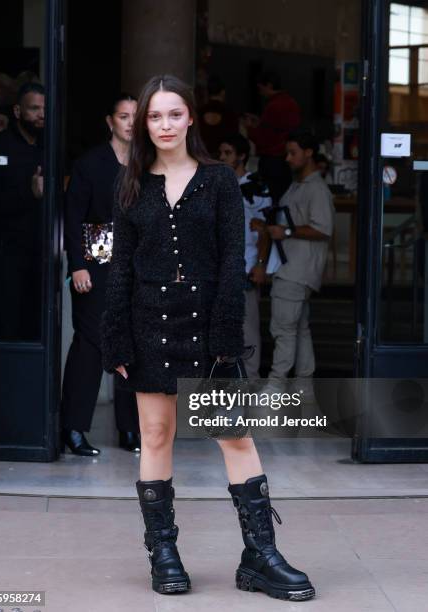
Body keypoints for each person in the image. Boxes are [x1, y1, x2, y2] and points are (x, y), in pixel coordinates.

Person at [101, 74, 315, 602]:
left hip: (206, 327)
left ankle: (261, 556)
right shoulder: (130, 184)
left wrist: (225, 337)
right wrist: (116, 338)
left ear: (191, 118)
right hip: (149, 323)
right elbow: (121, 269)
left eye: (175, 114)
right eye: (155, 116)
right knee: (155, 437)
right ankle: (164, 555)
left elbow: (230, 263)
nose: (165, 124)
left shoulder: (219, 180)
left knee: (235, 437)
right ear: (144, 124)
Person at [61, 93, 141, 456]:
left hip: (137, 268)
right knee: (91, 345)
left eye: (135, 117)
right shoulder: (90, 163)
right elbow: (73, 216)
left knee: (132, 347)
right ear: (110, 121)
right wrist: (76, 264)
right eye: (123, 116)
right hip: (94, 265)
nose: (129, 122)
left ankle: (130, 430)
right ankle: (73, 428)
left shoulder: (148, 163)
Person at [266, 130, 334, 395]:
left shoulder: (316, 189)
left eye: (293, 152)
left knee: (283, 328)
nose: (288, 158)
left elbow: (324, 228)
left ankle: (276, 384)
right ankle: (304, 385)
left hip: (297, 269)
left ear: (308, 153)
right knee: (299, 328)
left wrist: (287, 232)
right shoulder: (299, 185)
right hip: (294, 268)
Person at [0, 81, 45, 341]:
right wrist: (28, 194)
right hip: (6, 253)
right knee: (8, 323)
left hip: (42, 252)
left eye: (44, 108)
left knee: (37, 324)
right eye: (34, 108)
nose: (41, 114)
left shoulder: (49, 147)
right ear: (18, 112)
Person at [219, 132, 280, 378]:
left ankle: (251, 380)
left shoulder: (257, 186)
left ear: (241, 156)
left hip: (247, 264)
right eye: (220, 153)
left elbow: (265, 229)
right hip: (222, 266)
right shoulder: (218, 183)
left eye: (228, 153)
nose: (222, 157)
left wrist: (261, 265)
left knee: (248, 328)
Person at [244, 71, 301, 204]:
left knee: (269, 201)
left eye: (261, 88)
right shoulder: (291, 102)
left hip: (272, 160)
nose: (260, 92)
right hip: (285, 159)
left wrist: (249, 128)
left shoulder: (273, 106)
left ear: (269, 86)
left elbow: (264, 138)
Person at [198, 75, 239, 158]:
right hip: (224, 157)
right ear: (223, 92)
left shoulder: (199, 112)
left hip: (202, 156)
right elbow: (234, 137)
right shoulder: (229, 113)